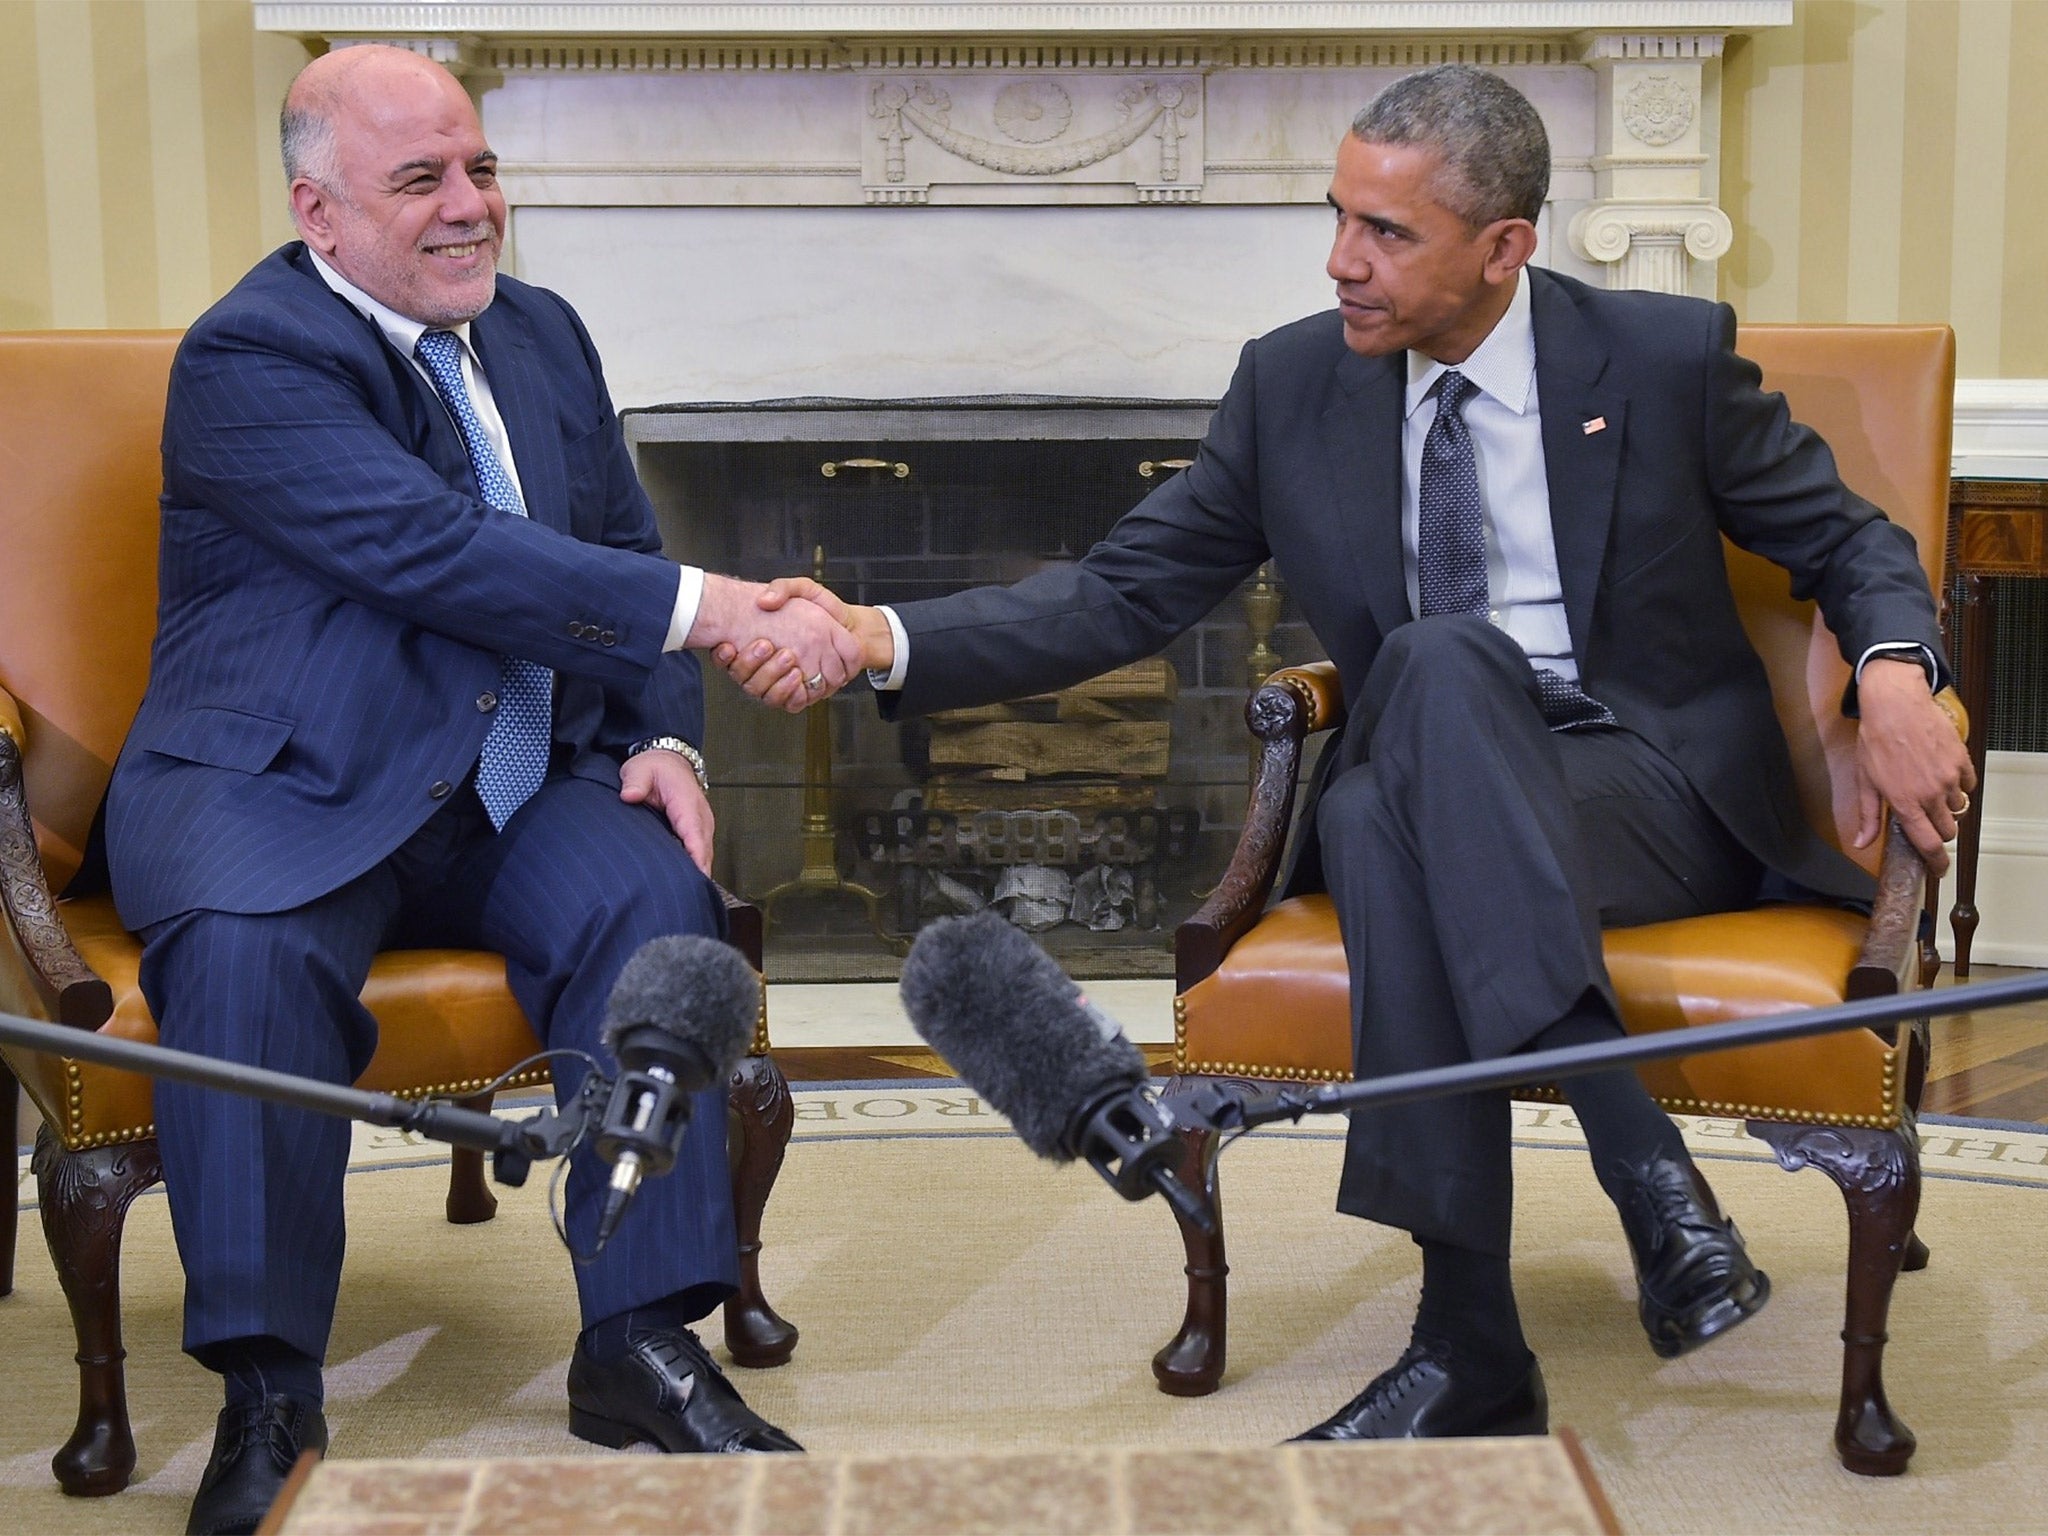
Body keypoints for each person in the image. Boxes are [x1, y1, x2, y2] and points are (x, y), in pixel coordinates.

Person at [720, 65, 1973, 1441]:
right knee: (1396, 782)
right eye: (1338, 218)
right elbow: (1120, 594)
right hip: (1447, 792)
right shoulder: (1294, 383)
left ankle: (1482, 1332)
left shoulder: (1662, 360)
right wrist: (878, 634)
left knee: (1411, 735)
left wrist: (1901, 676)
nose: (1341, 262)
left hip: (1648, 788)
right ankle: (1606, 1225)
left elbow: (1851, 539)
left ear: (1505, 249)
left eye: (1387, 234)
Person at [107, 45, 850, 1535]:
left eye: (482, 168)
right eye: (422, 181)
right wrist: (717, 614)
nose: (470, 209)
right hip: (290, 778)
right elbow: (442, 554)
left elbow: (618, 543)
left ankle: (636, 1337)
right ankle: (267, 1385)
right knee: (249, 956)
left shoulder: (544, 333)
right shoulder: (250, 356)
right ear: (319, 213)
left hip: (516, 780)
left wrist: (665, 737)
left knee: (655, 907)